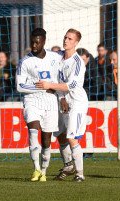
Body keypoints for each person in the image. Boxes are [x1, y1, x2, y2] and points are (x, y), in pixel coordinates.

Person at [36, 28, 88, 182]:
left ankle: (80, 174)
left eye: (70, 39)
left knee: (72, 137)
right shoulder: (59, 57)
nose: (66, 40)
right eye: (65, 37)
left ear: (76, 43)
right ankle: (69, 165)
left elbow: (70, 85)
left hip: (77, 102)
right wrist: (61, 98)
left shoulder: (78, 62)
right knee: (59, 134)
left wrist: (48, 85)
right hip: (63, 100)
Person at [16, 28, 62, 182]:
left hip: (50, 102)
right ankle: (36, 169)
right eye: (32, 42)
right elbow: (19, 86)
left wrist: (61, 96)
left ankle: (44, 170)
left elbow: (60, 79)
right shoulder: (25, 61)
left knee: (47, 140)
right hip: (32, 100)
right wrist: (41, 87)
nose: (34, 45)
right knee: (33, 131)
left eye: (37, 42)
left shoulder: (55, 57)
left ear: (44, 41)